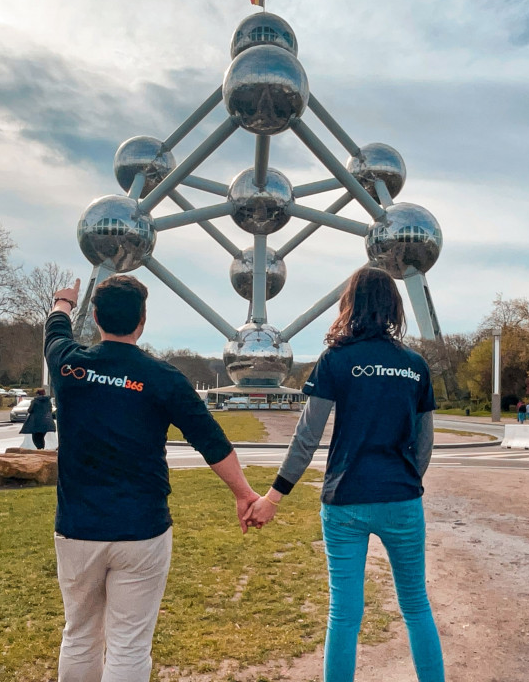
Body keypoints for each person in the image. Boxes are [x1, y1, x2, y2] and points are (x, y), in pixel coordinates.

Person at [45, 275, 261, 682]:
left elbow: (55, 329)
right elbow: (212, 442)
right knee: (128, 644)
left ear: (95, 317)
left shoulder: (69, 365)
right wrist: (244, 494)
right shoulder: (163, 378)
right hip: (141, 530)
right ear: (142, 320)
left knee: (79, 635)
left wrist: (62, 302)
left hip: (77, 528)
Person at [246, 266, 444, 682]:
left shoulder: (336, 360)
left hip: (345, 500)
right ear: (393, 305)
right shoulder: (415, 365)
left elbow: (306, 437)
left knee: (345, 614)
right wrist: (406, 479)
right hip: (401, 499)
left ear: (349, 304)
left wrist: (273, 497)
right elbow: (424, 443)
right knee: (416, 606)